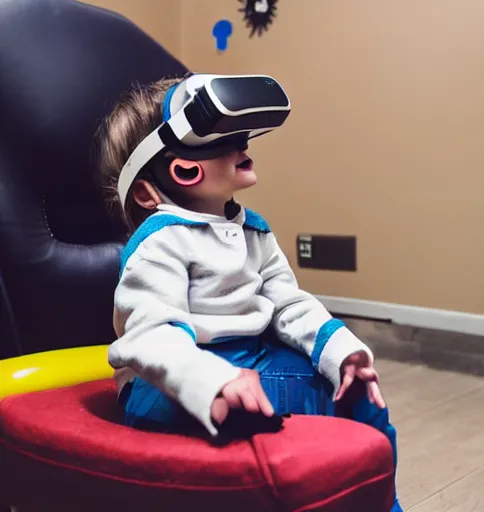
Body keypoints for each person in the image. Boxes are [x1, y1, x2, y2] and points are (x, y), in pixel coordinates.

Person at [95, 73, 402, 511]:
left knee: (359, 398)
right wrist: (210, 381)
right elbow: (152, 335)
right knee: (299, 409)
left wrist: (340, 350)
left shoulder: (254, 230)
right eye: (217, 140)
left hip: (255, 359)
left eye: (239, 136)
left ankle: (379, 502)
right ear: (152, 187)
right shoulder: (160, 240)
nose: (239, 145)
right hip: (166, 381)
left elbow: (288, 304)